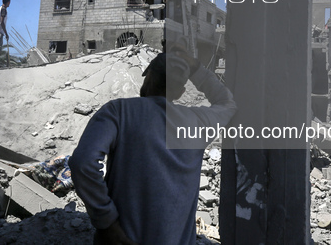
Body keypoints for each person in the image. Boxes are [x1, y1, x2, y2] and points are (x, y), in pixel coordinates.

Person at [70, 46, 237, 245]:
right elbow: (227, 103)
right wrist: (196, 68)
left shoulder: (119, 111)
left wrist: (106, 222)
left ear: (148, 74)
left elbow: (84, 163)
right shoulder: (198, 123)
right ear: (181, 91)